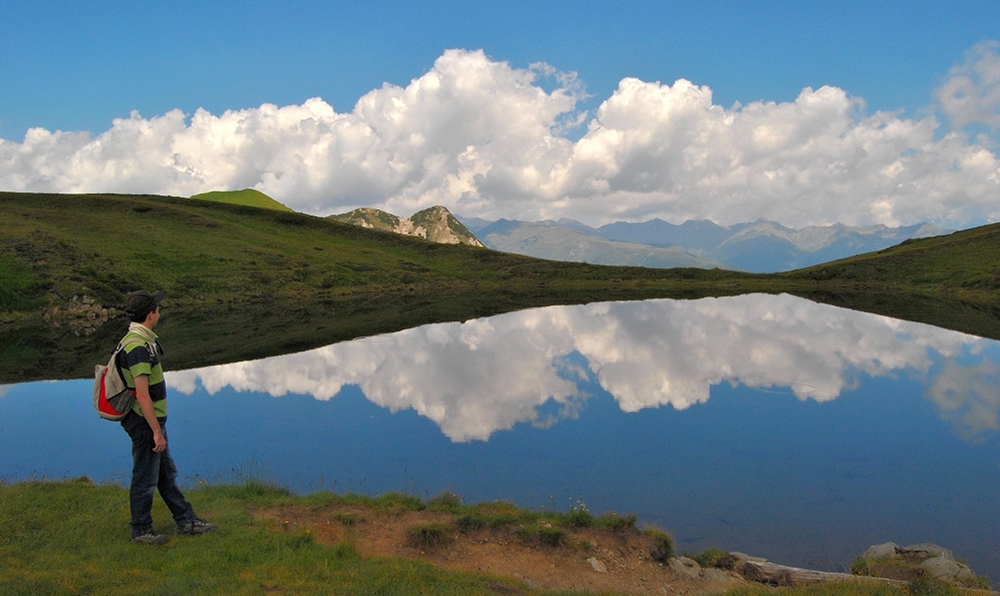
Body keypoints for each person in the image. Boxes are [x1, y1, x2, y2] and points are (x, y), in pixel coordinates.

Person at [119, 289, 216, 545]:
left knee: (163, 474)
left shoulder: (140, 339)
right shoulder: (138, 346)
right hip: (145, 422)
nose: (160, 312)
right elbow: (142, 394)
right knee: (144, 478)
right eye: (158, 308)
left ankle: (186, 520)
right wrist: (156, 432)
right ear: (151, 314)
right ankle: (140, 531)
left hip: (150, 421)